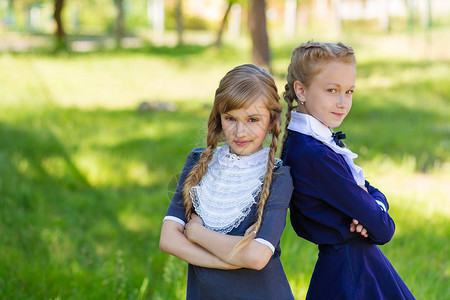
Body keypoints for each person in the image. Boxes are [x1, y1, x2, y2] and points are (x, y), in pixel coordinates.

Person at [280, 41, 415, 299]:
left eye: (349, 92)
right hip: (351, 276)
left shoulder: (312, 142)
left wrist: (374, 205)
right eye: (332, 90)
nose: (343, 102)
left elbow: (370, 193)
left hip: (355, 266)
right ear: (301, 91)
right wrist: (372, 212)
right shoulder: (313, 154)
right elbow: (383, 229)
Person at [160, 64, 295, 299]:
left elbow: (256, 256)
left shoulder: (278, 176)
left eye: (253, 119)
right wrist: (223, 261)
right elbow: (169, 239)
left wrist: (195, 233)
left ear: (272, 121)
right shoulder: (198, 162)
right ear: (218, 118)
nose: (240, 131)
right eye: (230, 118)